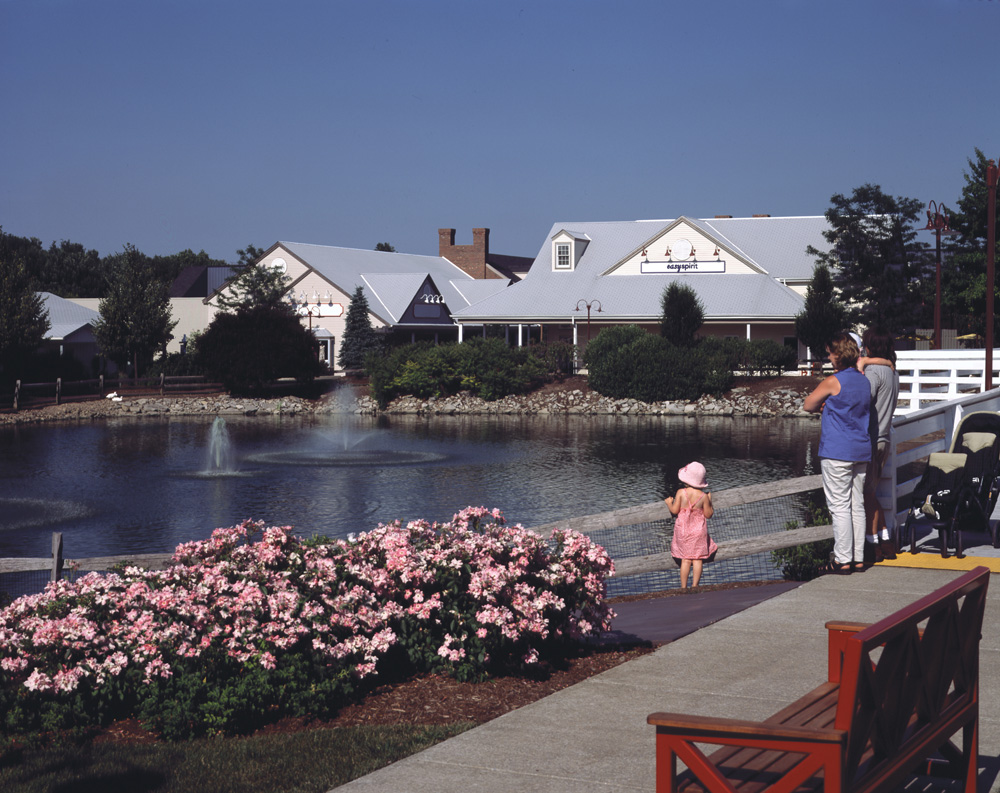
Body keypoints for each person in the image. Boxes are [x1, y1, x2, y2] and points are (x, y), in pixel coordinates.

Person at [803, 333, 872, 574]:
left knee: (839, 506)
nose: (829, 357)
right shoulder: (864, 381)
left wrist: (826, 405)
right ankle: (859, 557)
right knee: (857, 505)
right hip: (861, 449)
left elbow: (808, 404)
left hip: (837, 450)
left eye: (831, 353)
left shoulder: (833, 381)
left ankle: (842, 559)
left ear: (839, 355)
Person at [859, 327, 899, 563]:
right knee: (871, 493)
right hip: (885, 438)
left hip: (872, 439)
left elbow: (863, 398)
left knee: (867, 495)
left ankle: (872, 544)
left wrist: (862, 366)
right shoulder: (893, 372)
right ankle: (886, 542)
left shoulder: (874, 372)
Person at [666, 461, 717, 588]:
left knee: (686, 559)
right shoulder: (703, 496)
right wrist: (710, 501)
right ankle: (695, 586)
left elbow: (674, 510)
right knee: (697, 559)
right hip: (698, 531)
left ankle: (683, 587)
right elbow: (708, 514)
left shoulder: (681, 493)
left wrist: (668, 503)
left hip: (683, 531)